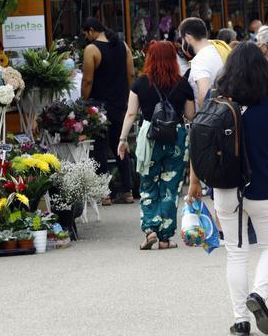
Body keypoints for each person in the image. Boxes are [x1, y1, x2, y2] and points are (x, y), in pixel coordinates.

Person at [188, 42, 268, 336]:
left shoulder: (216, 97)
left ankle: (241, 321)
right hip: (264, 184)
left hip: (225, 186)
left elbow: (199, 143)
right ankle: (258, 295)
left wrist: (194, 182)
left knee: (236, 251)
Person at [116, 41, 195, 250]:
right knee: (171, 188)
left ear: (150, 58)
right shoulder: (183, 83)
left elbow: (131, 113)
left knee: (148, 184)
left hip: (149, 137)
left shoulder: (141, 83)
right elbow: (190, 115)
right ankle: (165, 238)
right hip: (176, 137)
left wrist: (123, 140)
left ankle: (150, 229)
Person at [81, 17, 135, 205]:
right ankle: (127, 190)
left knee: (99, 149)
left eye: (85, 34)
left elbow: (87, 80)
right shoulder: (123, 46)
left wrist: (83, 102)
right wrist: (128, 97)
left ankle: (104, 193)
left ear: (90, 31)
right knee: (119, 144)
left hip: (99, 105)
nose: (86, 38)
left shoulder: (91, 49)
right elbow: (131, 74)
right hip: (119, 103)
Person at [179, 17, 224, 109]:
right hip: (222, 113)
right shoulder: (218, 51)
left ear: (188, 37)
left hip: (209, 119)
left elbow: (204, 95)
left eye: (182, 39)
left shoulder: (199, 61)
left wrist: (202, 117)